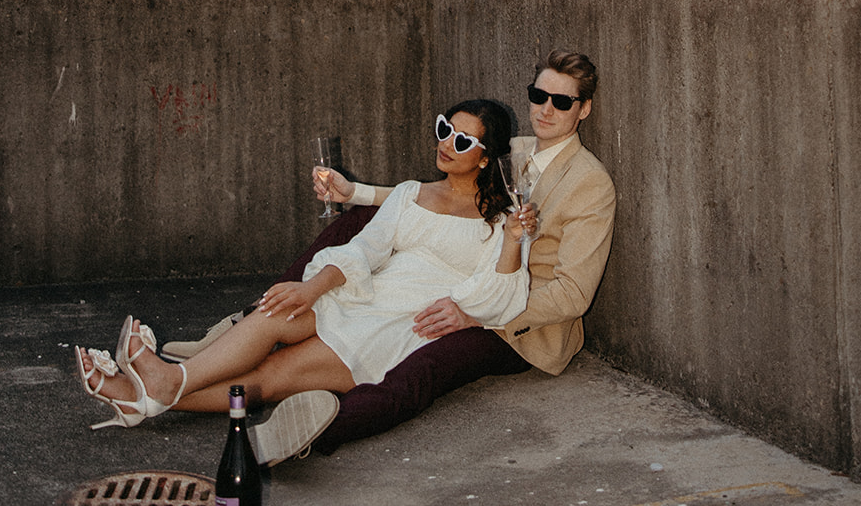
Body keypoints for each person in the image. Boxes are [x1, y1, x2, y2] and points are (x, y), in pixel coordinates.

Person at [163, 49, 616, 456]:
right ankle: (256, 316)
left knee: (422, 366)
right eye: (540, 96)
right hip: (461, 279)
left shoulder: (589, 183)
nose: (546, 109)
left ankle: (317, 431)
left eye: (562, 101)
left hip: (517, 323)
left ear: (584, 109)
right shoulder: (511, 151)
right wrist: (355, 191)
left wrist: (476, 312)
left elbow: (574, 296)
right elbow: (433, 201)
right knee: (355, 220)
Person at [75, 99, 532, 461]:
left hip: (400, 323)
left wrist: (512, 241)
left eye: (464, 140)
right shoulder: (412, 193)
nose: (448, 143)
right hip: (363, 292)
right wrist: (312, 287)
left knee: (272, 377)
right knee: (277, 310)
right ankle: (162, 385)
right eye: (444, 130)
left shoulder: (504, 219)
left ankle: (150, 393)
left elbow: (502, 296)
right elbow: (364, 250)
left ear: (486, 157)